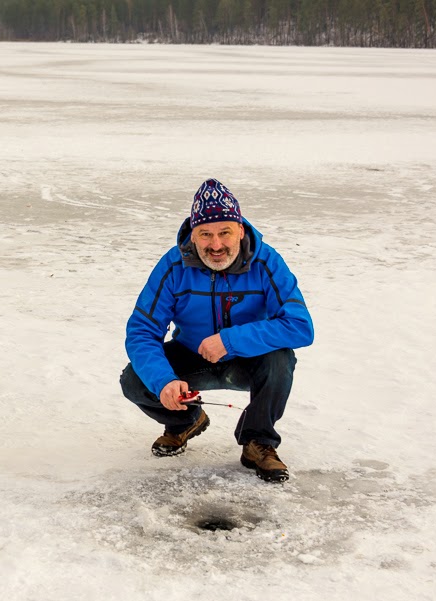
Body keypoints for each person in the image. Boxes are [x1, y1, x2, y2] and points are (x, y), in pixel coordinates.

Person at [120, 179, 314, 482]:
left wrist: (231, 340)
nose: (216, 245)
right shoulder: (174, 266)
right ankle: (185, 421)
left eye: (225, 232)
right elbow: (142, 330)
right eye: (205, 234)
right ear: (193, 235)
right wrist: (165, 381)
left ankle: (257, 442)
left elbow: (300, 326)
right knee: (134, 380)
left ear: (239, 229)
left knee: (279, 359)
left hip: (249, 360)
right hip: (193, 356)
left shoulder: (266, 262)